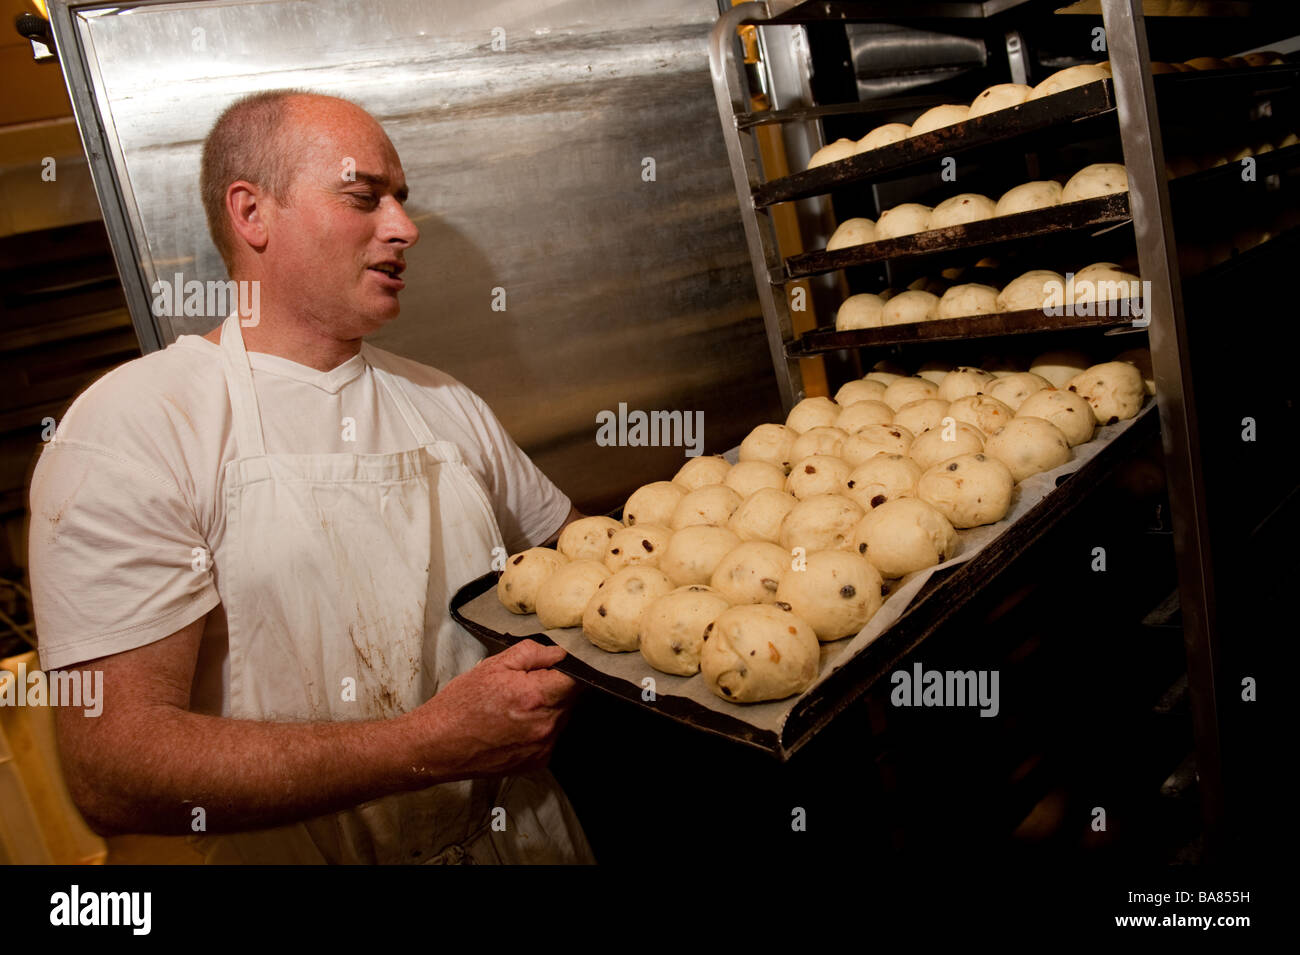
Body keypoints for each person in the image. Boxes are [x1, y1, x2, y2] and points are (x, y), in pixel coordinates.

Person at [27, 90, 595, 864]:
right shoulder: (138, 425)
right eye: (365, 197)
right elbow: (115, 768)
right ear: (252, 214)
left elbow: (587, 572)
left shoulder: (442, 401)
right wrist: (429, 742)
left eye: (401, 200)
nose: (405, 227)